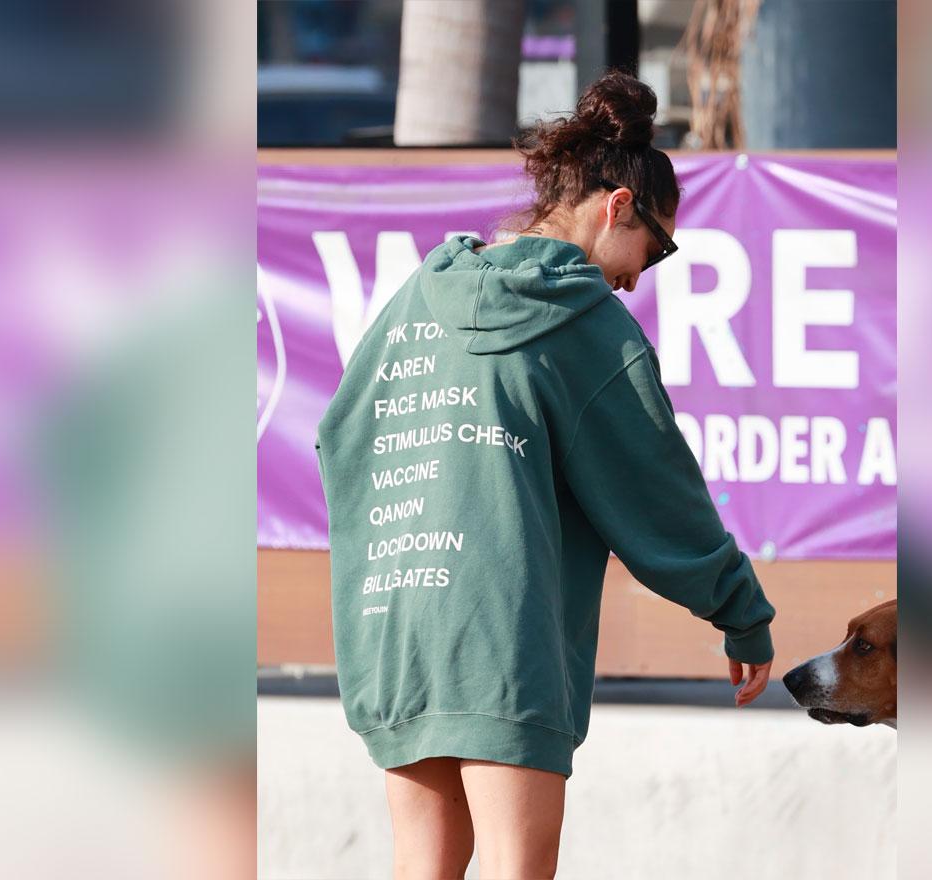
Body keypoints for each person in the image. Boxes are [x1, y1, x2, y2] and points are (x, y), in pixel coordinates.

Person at [315, 70, 776, 880]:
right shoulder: (588, 323)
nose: (641, 275)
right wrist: (740, 612)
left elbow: (339, 434)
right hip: (504, 646)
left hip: (397, 636)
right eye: (656, 249)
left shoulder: (420, 295)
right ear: (617, 207)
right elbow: (656, 487)